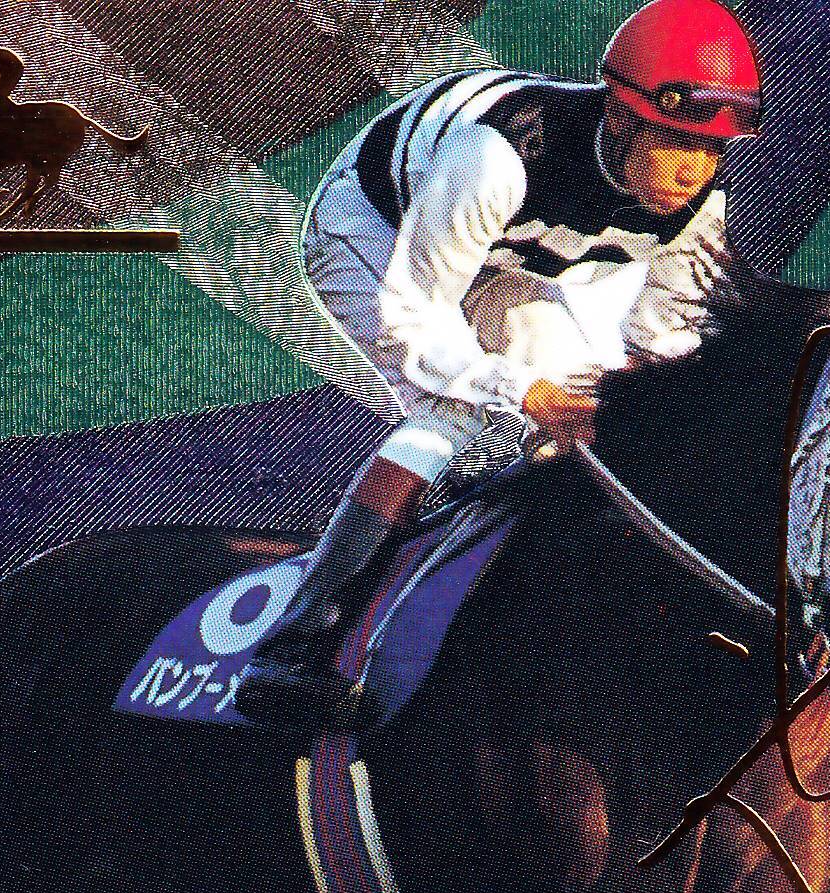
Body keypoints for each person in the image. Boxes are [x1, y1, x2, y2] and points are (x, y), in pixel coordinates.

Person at [234, 0, 761, 728]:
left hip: (510, 261)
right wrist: (523, 389)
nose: (694, 170)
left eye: (712, 148)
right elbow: (411, 313)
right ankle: (295, 643)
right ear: (619, 116)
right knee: (453, 416)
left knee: (580, 422)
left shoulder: (698, 207)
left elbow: (662, 345)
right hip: (378, 230)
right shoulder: (501, 155)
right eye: (677, 140)